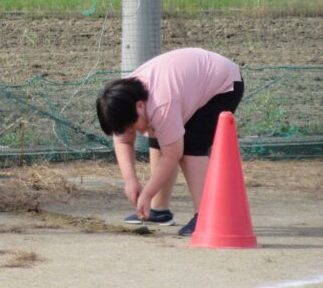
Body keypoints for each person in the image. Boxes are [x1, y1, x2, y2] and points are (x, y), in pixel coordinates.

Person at [95, 47, 244, 237]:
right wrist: (130, 180)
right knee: (159, 135)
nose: (136, 133)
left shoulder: (160, 102)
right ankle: (158, 211)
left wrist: (147, 193)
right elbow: (123, 142)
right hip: (190, 84)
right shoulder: (120, 102)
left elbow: (173, 154)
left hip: (223, 83)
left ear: (140, 106)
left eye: (134, 126)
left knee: (191, 146)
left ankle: (207, 216)